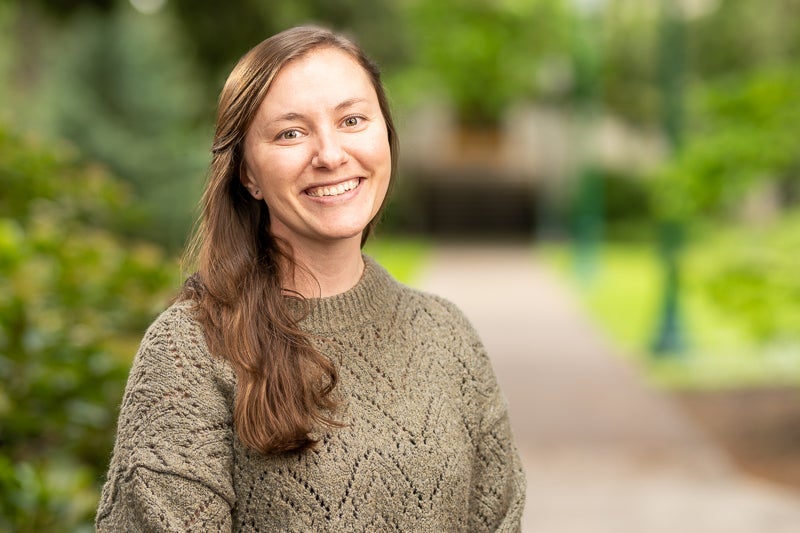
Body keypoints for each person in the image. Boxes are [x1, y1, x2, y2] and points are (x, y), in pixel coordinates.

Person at [96, 25, 525, 531]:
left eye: (353, 119)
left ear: (385, 135)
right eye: (291, 133)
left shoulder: (449, 336)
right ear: (247, 174)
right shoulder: (190, 350)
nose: (330, 154)